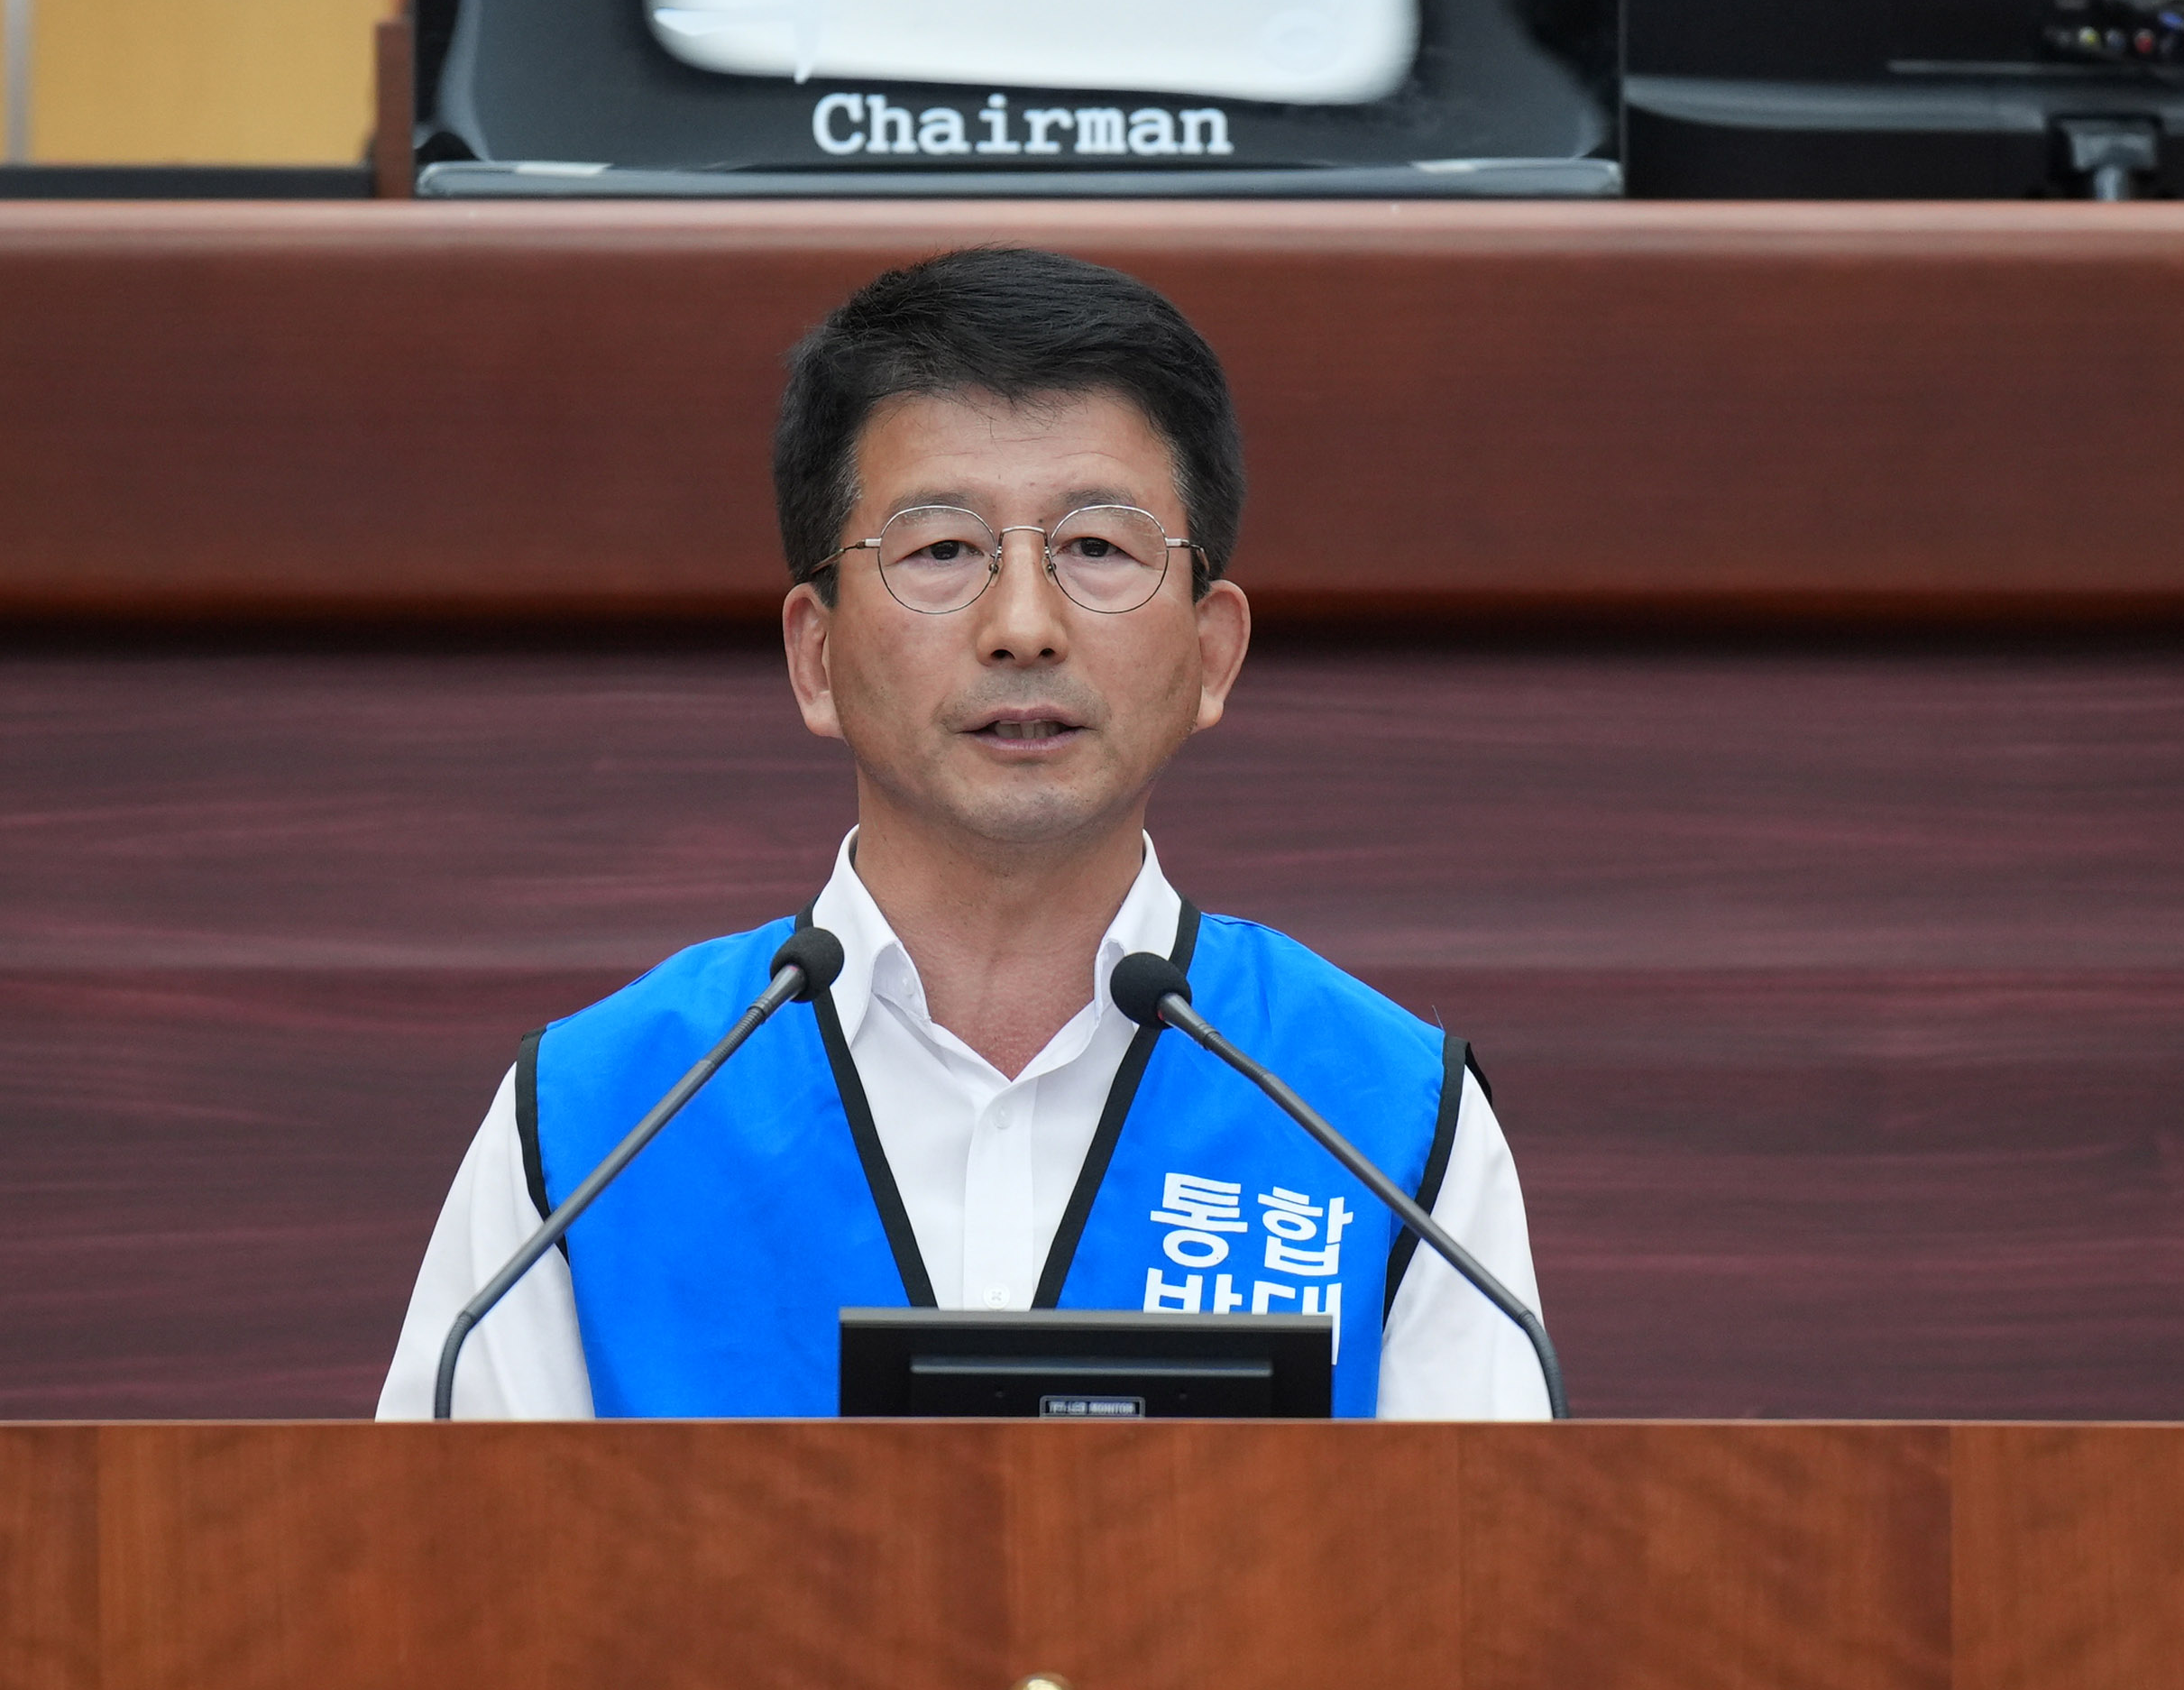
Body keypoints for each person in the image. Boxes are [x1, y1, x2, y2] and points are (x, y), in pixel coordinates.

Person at [378, 247, 1543, 1419]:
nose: (1023, 626)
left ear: (1211, 652)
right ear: (815, 657)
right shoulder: (595, 1123)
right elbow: (435, 1589)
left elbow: (1491, 1587)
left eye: (1098, 547)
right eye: (941, 551)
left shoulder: (1384, 1122)